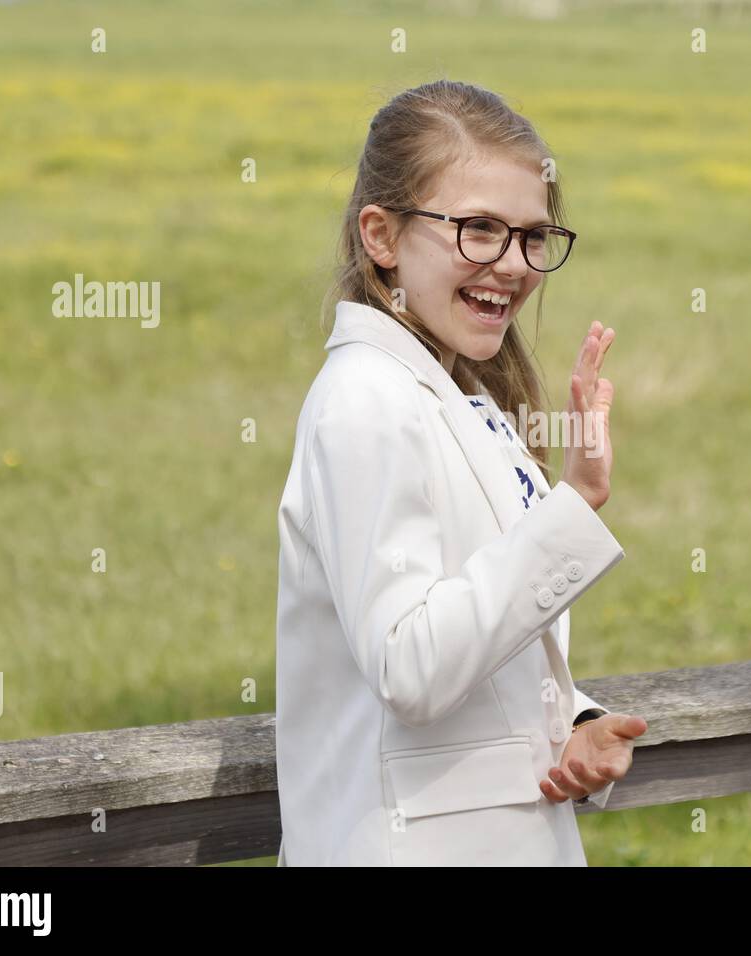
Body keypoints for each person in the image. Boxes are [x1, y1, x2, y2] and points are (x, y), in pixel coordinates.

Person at [274, 79, 647, 866]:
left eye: (532, 237)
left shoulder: (460, 396)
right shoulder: (366, 404)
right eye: (478, 230)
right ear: (381, 235)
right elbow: (411, 666)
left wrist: (571, 722)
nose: (512, 265)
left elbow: (477, 631)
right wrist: (573, 504)